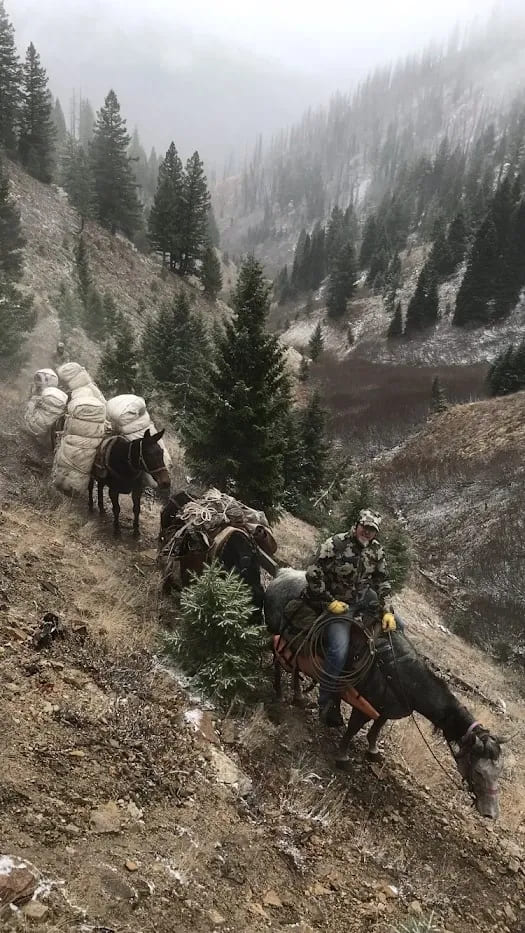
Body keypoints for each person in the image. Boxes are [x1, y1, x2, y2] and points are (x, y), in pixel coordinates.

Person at [303, 508, 395, 727]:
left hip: (362, 602)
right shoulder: (335, 544)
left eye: (372, 529)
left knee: (396, 629)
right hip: (338, 605)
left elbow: (382, 581)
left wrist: (387, 611)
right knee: (339, 650)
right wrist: (328, 601)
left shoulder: (376, 551)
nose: (367, 532)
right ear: (357, 525)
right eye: (365, 527)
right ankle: (325, 701)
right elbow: (313, 573)